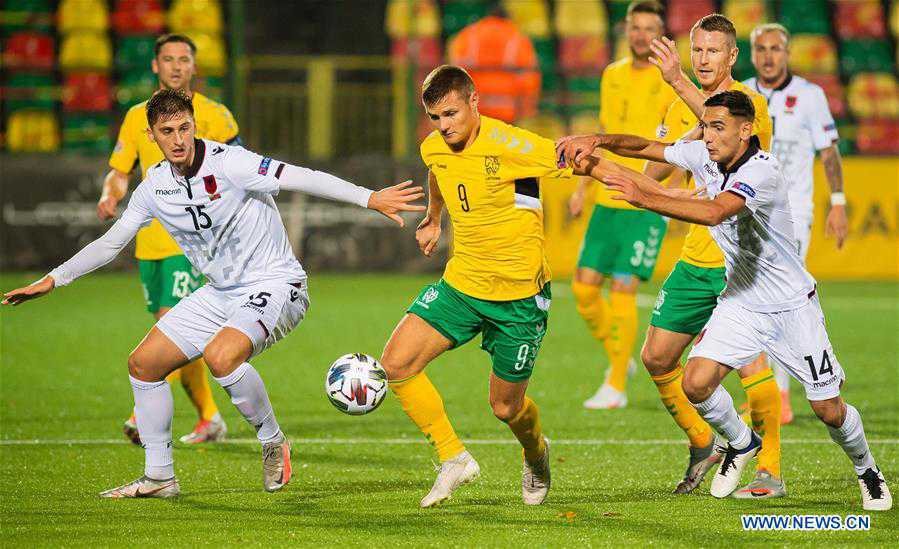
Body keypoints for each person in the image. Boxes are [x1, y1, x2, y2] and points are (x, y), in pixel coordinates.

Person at [3, 89, 424, 498]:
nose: (178, 139)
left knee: (221, 357)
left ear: (194, 126)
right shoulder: (153, 187)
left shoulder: (230, 163)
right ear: (151, 135)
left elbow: (299, 176)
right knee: (143, 365)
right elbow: (112, 243)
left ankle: (273, 441)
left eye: (184, 128)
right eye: (167, 131)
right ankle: (159, 477)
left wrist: (369, 197)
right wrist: (54, 279)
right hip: (220, 292)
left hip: (277, 283)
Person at [557, 89, 892, 512]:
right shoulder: (706, 156)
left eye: (718, 127)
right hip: (741, 301)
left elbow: (717, 212)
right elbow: (647, 147)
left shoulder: (764, 171)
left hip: (791, 307)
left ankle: (867, 470)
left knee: (828, 409)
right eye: (707, 126)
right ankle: (740, 441)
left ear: (745, 129)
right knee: (695, 383)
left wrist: (647, 198)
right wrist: (597, 140)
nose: (708, 136)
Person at [379, 65, 650, 508]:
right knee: (397, 364)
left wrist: (650, 192)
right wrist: (433, 217)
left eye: (451, 114)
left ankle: (535, 453)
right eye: (435, 117)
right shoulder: (435, 147)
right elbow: (439, 171)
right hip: (462, 285)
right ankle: (453, 458)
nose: (444, 127)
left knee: (506, 408)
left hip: (519, 298)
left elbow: (588, 162)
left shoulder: (514, 145)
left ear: (474, 102)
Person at [626, 14, 785, 498]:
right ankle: (705, 442)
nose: (702, 59)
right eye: (697, 50)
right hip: (697, 255)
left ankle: (769, 471)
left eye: (713, 51)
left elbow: (717, 123)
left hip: (742, 263)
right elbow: (675, 166)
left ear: (732, 56)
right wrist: (641, 187)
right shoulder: (682, 109)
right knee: (656, 356)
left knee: (751, 364)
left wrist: (676, 80)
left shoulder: (748, 104)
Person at [98, 34, 240, 445]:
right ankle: (210, 418)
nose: (177, 66)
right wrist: (111, 193)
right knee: (178, 331)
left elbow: (241, 169)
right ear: (155, 66)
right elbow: (121, 168)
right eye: (168, 59)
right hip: (150, 244)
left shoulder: (216, 116)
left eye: (184, 59)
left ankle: (142, 417)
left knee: (169, 322)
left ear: (195, 67)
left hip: (195, 241)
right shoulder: (136, 116)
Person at [568, 0, 677, 410]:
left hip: (644, 200)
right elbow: (602, 131)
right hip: (604, 192)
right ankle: (619, 352)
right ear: (626, 30)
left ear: (661, 34)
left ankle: (615, 384)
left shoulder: (670, 81)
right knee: (582, 287)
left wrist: (652, 191)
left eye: (650, 27)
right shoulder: (611, 75)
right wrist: (582, 187)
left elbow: (675, 146)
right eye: (636, 26)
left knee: (623, 287)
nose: (641, 34)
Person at [745, 23, 849, 424]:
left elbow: (829, 152)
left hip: (794, 214)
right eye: (761, 49)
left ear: (787, 53)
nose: (769, 56)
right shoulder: (743, 95)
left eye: (775, 49)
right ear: (751, 54)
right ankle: (766, 389)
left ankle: (781, 395)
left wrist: (836, 203)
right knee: (751, 300)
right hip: (748, 212)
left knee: (779, 297)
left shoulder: (809, 96)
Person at [446, 7, 540, 123]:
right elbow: (529, 78)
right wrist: (526, 110)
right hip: (507, 111)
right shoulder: (518, 38)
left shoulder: (467, 35)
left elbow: (454, 73)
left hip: (474, 109)